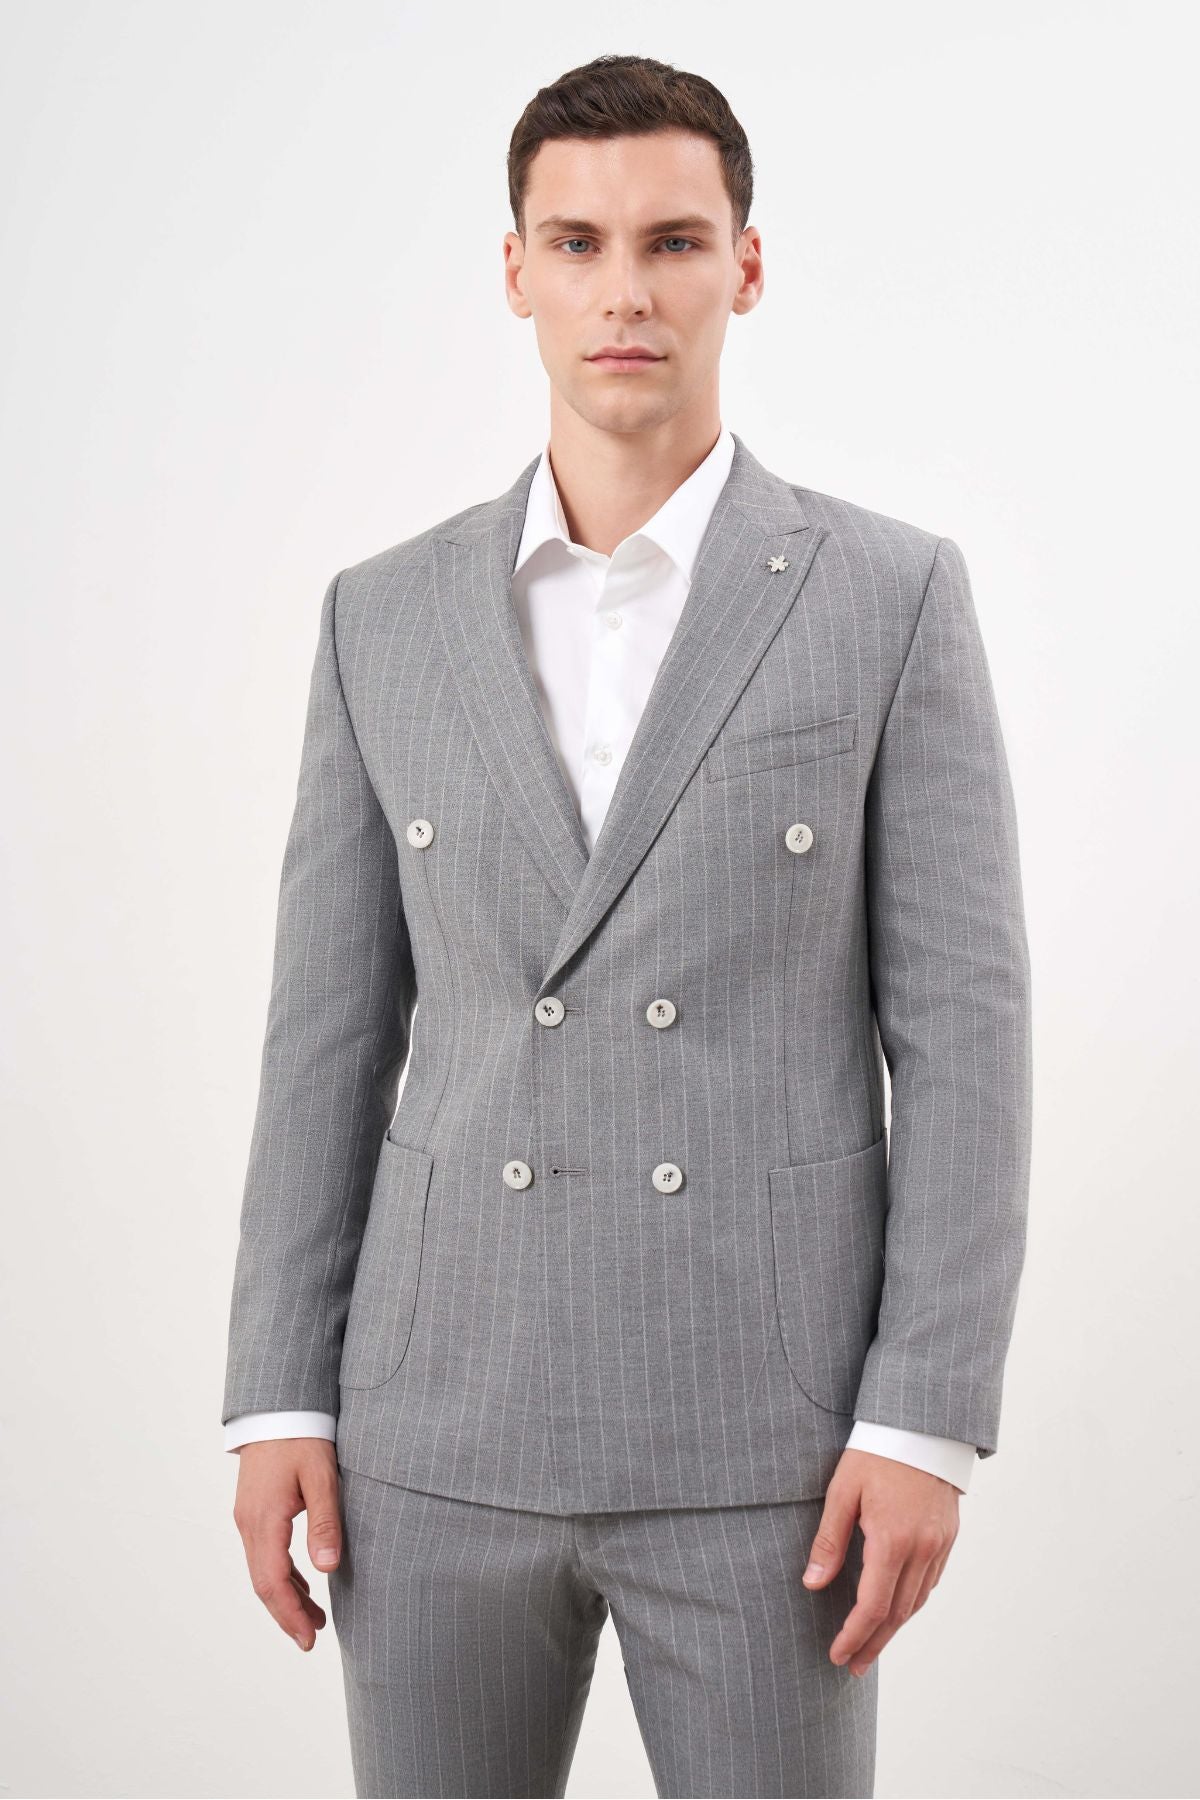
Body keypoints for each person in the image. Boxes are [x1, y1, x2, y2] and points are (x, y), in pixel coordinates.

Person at [222, 51, 1032, 1799]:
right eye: (577, 245)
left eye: (672, 241)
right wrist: (279, 1394)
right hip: (434, 1421)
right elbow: (324, 1038)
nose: (625, 293)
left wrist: (924, 1414)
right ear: (514, 270)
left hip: (771, 1437)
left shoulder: (889, 596)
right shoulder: (382, 615)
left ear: (747, 264)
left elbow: (966, 1036)